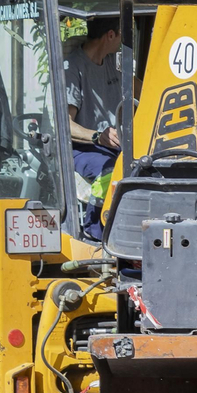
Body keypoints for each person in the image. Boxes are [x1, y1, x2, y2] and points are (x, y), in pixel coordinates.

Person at [64, 16, 124, 240]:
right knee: (109, 171)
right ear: (111, 35)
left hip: (113, 145)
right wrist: (98, 136)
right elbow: (66, 126)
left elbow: (144, 89)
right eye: (122, 34)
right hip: (82, 148)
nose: (123, 40)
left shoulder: (112, 62)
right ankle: (95, 230)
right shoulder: (72, 67)